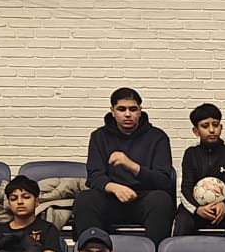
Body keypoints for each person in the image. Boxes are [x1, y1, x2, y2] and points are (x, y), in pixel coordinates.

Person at [73, 86, 177, 239]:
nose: (128, 114)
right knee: (85, 199)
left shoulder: (157, 137)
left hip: (144, 199)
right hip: (110, 198)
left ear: (140, 111)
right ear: (113, 111)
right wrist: (114, 187)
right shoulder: (99, 136)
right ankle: (93, 250)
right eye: (121, 109)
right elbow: (94, 176)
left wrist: (131, 166)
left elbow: (163, 181)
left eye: (133, 109)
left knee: (162, 200)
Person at [174, 102, 225, 241]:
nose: (212, 130)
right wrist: (197, 209)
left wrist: (224, 204)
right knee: (183, 219)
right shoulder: (190, 154)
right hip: (197, 209)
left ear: (221, 127)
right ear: (196, 131)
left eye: (216, 125)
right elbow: (184, 189)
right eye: (205, 126)